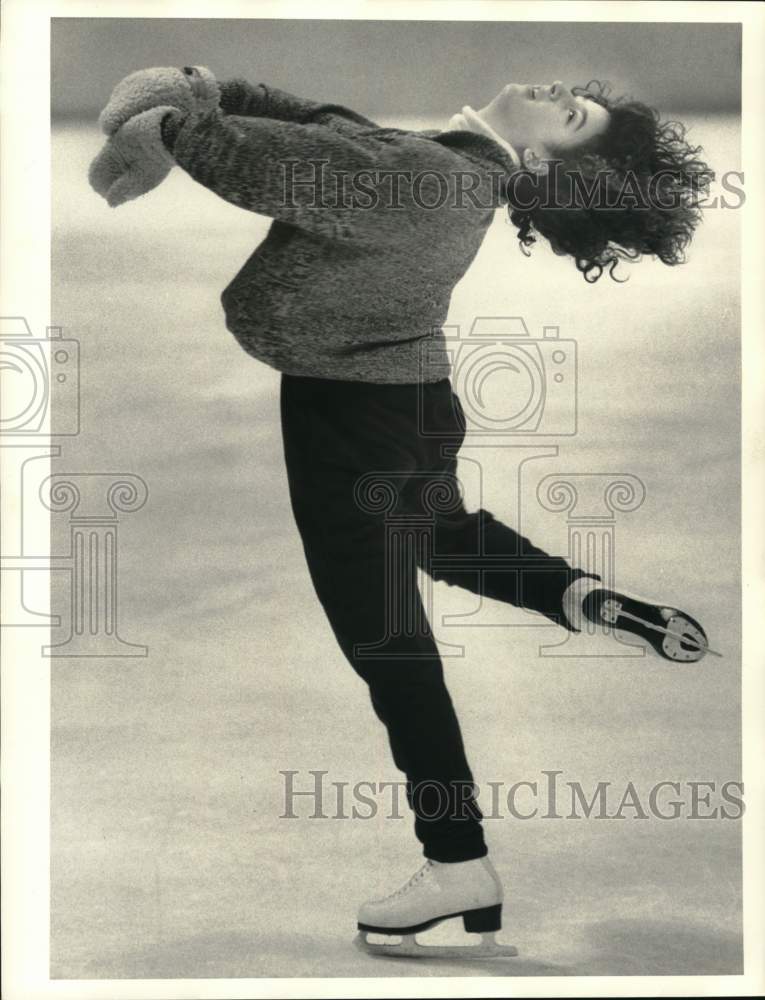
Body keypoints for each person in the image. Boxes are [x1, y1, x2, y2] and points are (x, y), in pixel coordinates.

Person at [91, 67, 716, 958]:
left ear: (539, 154)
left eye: (569, 110)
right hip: (404, 402)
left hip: (352, 419)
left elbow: (258, 167)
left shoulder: (436, 179)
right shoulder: (449, 162)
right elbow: (329, 124)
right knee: (439, 536)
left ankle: (456, 861)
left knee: (388, 647)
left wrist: (173, 115)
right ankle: (577, 597)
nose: (551, 87)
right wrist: (209, 85)